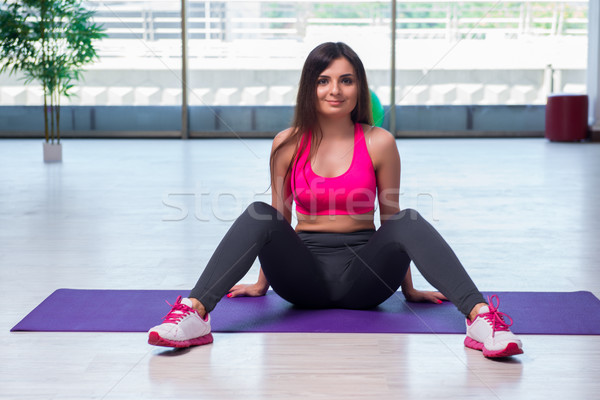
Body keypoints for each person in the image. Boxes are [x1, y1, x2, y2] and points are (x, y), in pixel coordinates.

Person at [148, 42, 523, 358]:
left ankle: (480, 318)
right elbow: (278, 217)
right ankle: (196, 313)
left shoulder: (379, 142)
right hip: (302, 280)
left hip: (366, 280)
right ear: (309, 87)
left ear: (359, 87)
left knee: (407, 217)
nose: (335, 90)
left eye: (346, 80)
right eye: (324, 81)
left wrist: (409, 289)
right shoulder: (287, 143)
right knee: (259, 212)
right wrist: (261, 285)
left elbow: (390, 219)